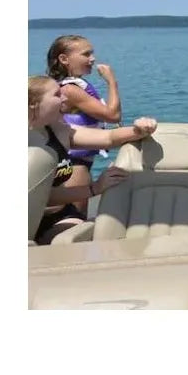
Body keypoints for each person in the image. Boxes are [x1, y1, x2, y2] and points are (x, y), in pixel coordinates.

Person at [28, 75, 158, 245]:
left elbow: (109, 138)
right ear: (33, 103)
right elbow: (40, 195)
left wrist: (140, 129)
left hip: (57, 217)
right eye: (57, 94)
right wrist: (93, 189)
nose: (65, 97)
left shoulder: (58, 131)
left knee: (70, 241)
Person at [46, 34, 125, 219]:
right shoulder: (70, 90)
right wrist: (112, 82)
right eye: (86, 54)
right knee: (73, 218)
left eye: (92, 53)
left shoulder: (70, 86)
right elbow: (113, 115)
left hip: (78, 164)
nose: (92, 59)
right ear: (64, 59)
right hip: (75, 167)